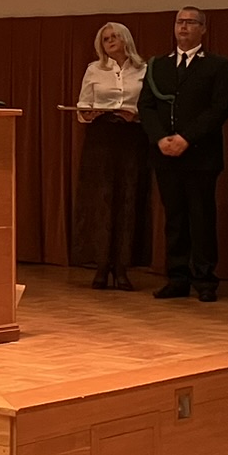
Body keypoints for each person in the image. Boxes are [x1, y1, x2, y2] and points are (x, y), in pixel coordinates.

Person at [138, 7, 228, 302]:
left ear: (203, 29)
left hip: (200, 155)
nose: (184, 27)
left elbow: (220, 108)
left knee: (201, 217)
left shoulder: (217, 65)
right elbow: (146, 106)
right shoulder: (158, 65)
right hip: (165, 153)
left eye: (191, 22)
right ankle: (177, 277)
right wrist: (160, 138)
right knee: (175, 218)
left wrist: (186, 138)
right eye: (180, 22)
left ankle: (204, 279)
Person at [72, 23, 151, 291]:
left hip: (131, 137)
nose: (110, 41)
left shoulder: (143, 69)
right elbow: (83, 105)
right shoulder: (94, 69)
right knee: (101, 200)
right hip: (101, 137)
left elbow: (150, 106)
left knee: (128, 198)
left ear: (126, 39)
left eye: (115, 36)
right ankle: (101, 265)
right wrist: (88, 113)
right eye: (105, 39)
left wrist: (136, 115)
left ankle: (122, 267)